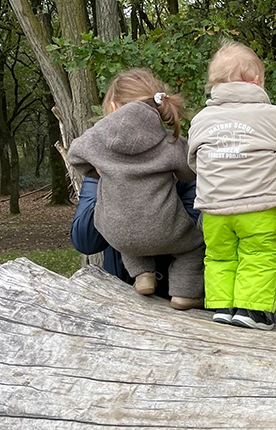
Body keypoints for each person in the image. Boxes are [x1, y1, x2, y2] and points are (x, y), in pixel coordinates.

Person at [67, 69, 204, 309]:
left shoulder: (98, 147)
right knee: (195, 243)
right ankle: (185, 292)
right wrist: (101, 178)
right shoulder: (171, 144)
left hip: (123, 258)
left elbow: (75, 155)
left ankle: (143, 275)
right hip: (153, 258)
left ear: (112, 108)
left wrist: (96, 171)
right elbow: (85, 240)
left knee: (120, 232)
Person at [188, 41, 276, 330]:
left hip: (214, 206)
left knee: (219, 255)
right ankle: (252, 310)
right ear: (256, 80)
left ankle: (222, 306)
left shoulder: (201, 119)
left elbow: (193, 159)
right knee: (259, 254)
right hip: (258, 204)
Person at [70, 176, 198, 300]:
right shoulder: (100, 170)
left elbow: (193, 233)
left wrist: (157, 186)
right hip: (120, 291)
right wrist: (113, 186)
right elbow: (86, 242)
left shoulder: (188, 172)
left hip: (175, 297)